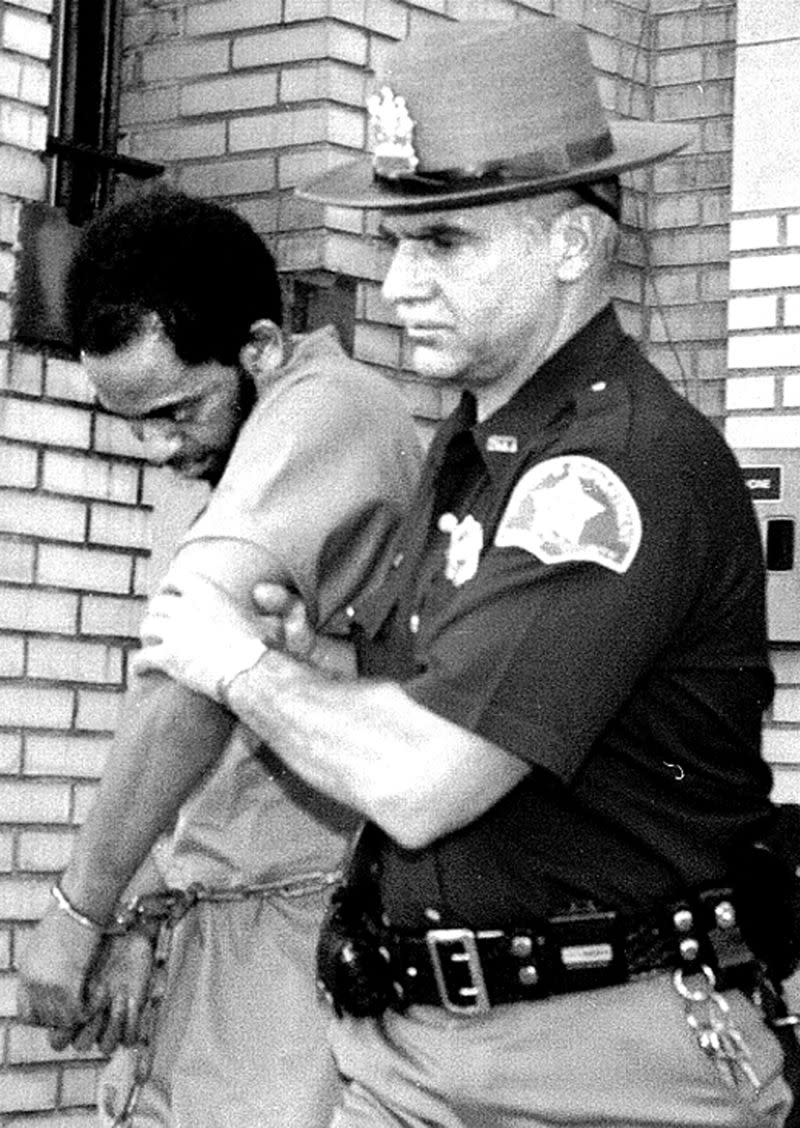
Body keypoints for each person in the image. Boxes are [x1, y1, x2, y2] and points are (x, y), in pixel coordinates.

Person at [118, 18, 800, 1128]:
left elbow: (425, 781)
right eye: (396, 242)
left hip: (596, 1078)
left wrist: (240, 667)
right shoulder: (476, 451)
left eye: (443, 244)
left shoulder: (613, 468)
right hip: (414, 1059)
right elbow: (433, 711)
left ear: (572, 246)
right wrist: (316, 667)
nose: (395, 284)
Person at [16, 186, 422, 1127]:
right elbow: (210, 745)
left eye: (175, 410)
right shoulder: (223, 454)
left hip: (303, 941)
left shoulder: (332, 409)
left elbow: (192, 689)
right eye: (132, 422)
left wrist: (80, 909)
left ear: (262, 348)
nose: (158, 446)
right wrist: (144, 915)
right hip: (215, 934)